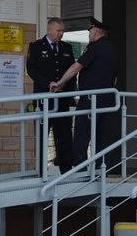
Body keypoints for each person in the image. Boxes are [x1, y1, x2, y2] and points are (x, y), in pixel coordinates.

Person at [50, 17, 120, 170]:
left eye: (89, 32)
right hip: (107, 99)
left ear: (95, 33)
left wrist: (60, 82)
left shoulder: (95, 47)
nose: (88, 36)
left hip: (90, 99)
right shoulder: (112, 48)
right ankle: (102, 170)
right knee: (101, 136)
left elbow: (77, 67)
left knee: (82, 135)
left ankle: (80, 170)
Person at [26, 17, 76, 174]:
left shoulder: (66, 47)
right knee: (42, 134)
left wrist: (67, 89)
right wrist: (48, 84)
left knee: (64, 134)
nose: (61, 34)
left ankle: (66, 170)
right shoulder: (36, 47)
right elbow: (31, 70)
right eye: (58, 30)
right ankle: (41, 171)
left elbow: (72, 71)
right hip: (44, 98)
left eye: (62, 31)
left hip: (62, 98)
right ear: (49, 30)